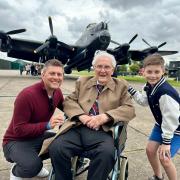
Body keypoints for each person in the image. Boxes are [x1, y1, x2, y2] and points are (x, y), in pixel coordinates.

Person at [48, 50, 135, 180]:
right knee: (56, 147)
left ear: (113, 69)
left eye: (107, 67)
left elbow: (129, 109)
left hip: (103, 131)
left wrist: (105, 117)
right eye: (99, 66)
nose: (103, 70)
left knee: (106, 153)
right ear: (94, 68)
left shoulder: (121, 86)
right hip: (77, 128)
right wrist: (82, 116)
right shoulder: (82, 82)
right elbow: (69, 101)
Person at [2, 59, 65, 180]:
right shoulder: (27, 95)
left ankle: (32, 160)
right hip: (15, 141)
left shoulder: (57, 92)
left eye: (59, 74)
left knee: (63, 142)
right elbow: (19, 129)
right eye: (52, 73)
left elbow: (68, 108)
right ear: (43, 74)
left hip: (37, 136)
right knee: (31, 167)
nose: (56, 77)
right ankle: (17, 171)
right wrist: (47, 125)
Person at [128, 54, 180, 180]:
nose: (153, 75)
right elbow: (144, 102)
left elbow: (171, 119)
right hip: (161, 124)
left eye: (157, 72)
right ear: (143, 71)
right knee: (150, 150)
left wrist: (166, 142)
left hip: (175, 129)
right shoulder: (148, 86)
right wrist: (131, 90)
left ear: (163, 71)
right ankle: (158, 176)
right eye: (149, 71)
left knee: (165, 158)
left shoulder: (165, 93)